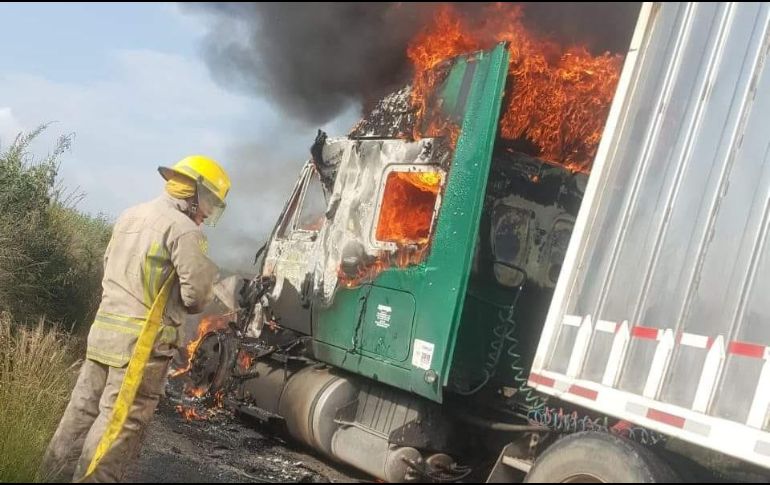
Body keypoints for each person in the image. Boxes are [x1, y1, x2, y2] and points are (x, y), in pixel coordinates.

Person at [40, 155, 230, 482]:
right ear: (195, 193)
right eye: (210, 202)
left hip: (103, 334)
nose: (208, 212)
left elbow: (110, 267)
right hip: (139, 349)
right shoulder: (184, 231)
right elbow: (195, 298)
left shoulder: (131, 215)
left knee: (81, 413)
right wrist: (215, 285)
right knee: (116, 427)